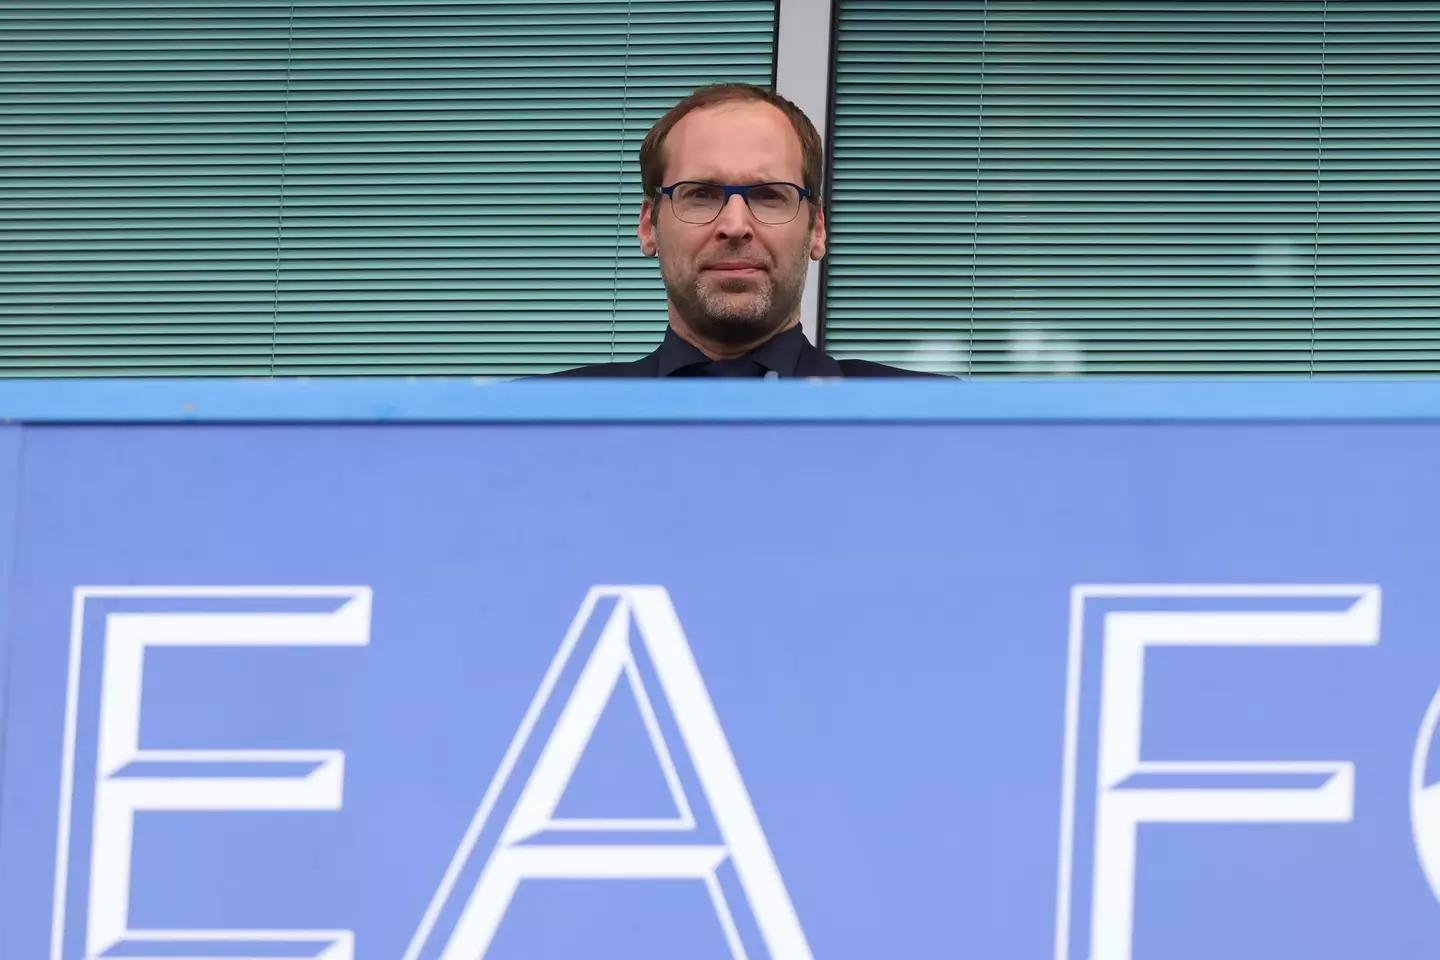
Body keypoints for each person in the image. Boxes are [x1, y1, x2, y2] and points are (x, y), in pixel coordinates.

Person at [549, 83, 939, 378]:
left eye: (769, 195)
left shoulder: (933, 425)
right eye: (700, 194)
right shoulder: (538, 427)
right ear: (649, 225)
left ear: (816, 228)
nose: (735, 226)